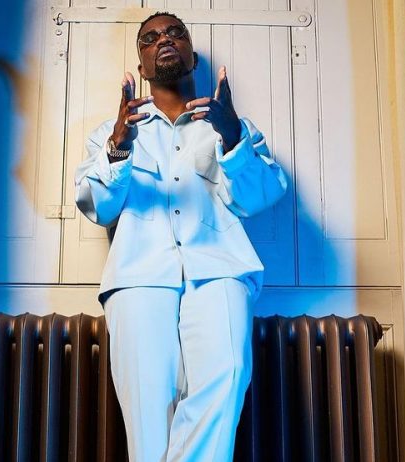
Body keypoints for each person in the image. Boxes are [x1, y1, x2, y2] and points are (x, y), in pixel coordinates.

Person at [74, 11, 287, 462]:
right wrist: (119, 147)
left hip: (220, 270)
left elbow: (262, 195)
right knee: (148, 410)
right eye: (150, 38)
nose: (164, 40)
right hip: (138, 277)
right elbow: (97, 206)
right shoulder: (111, 133)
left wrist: (232, 138)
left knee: (228, 377)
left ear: (192, 56)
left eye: (175, 33)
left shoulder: (230, 124)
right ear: (142, 65)